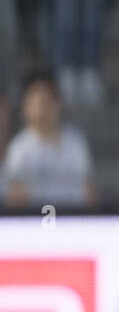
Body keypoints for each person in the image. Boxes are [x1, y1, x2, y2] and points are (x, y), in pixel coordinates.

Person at [3, 70, 94, 209]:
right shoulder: (20, 149)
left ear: (58, 103)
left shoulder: (75, 142)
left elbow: (89, 191)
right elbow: (15, 197)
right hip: (35, 223)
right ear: (27, 108)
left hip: (73, 222)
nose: (43, 109)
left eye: (48, 102)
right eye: (38, 103)